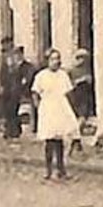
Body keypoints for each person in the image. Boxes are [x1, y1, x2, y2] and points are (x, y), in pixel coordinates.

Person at [30, 48, 79, 181]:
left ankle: (61, 169)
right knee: (49, 140)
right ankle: (48, 169)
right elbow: (35, 92)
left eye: (57, 59)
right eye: (53, 59)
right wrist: (38, 105)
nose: (56, 62)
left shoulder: (63, 75)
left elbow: (69, 92)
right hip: (48, 107)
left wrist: (71, 108)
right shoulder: (41, 76)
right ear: (47, 61)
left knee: (59, 140)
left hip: (60, 106)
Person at [66, 48, 95, 153]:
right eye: (80, 58)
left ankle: (75, 141)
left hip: (85, 97)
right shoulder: (71, 71)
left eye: (84, 58)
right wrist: (80, 81)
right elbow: (68, 84)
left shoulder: (87, 69)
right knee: (77, 120)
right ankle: (75, 141)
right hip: (75, 96)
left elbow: (90, 82)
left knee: (82, 119)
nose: (82, 61)